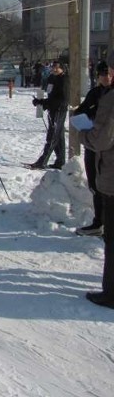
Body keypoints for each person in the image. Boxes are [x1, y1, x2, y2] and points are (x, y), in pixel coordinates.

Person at [79, 60, 114, 309]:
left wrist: (83, 135)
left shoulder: (111, 99)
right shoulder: (99, 94)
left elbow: (101, 139)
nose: (106, 76)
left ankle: (110, 293)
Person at [74, 61, 112, 236]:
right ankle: (98, 222)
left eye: (109, 73)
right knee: (95, 184)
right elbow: (79, 111)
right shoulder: (95, 93)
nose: (107, 77)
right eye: (103, 74)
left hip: (107, 147)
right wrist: (90, 114)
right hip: (93, 143)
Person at [29, 60, 68, 169]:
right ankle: (60, 162)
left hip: (59, 110)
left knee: (52, 136)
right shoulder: (52, 78)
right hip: (52, 109)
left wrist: (43, 103)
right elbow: (49, 94)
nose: (54, 69)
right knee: (59, 137)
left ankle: (42, 161)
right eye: (53, 66)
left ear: (62, 68)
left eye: (57, 67)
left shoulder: (64, 80)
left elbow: (61, 99)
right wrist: (40, 102)